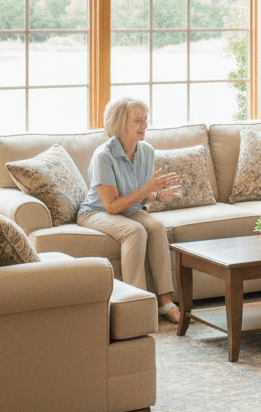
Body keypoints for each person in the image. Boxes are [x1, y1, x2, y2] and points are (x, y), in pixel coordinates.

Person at [77, 97, 184, 322]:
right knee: (135, 231)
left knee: (156, 226)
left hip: (128, 208)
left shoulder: (146, 151)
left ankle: (165, 301)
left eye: (145, 119)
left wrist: (156, 195)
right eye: (137, 121)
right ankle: (136, 304)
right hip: (97, 212)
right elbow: (112, 205)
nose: (144, 125)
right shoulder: (103, 156)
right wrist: (148, 188)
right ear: (119, 124)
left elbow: (138, 194)